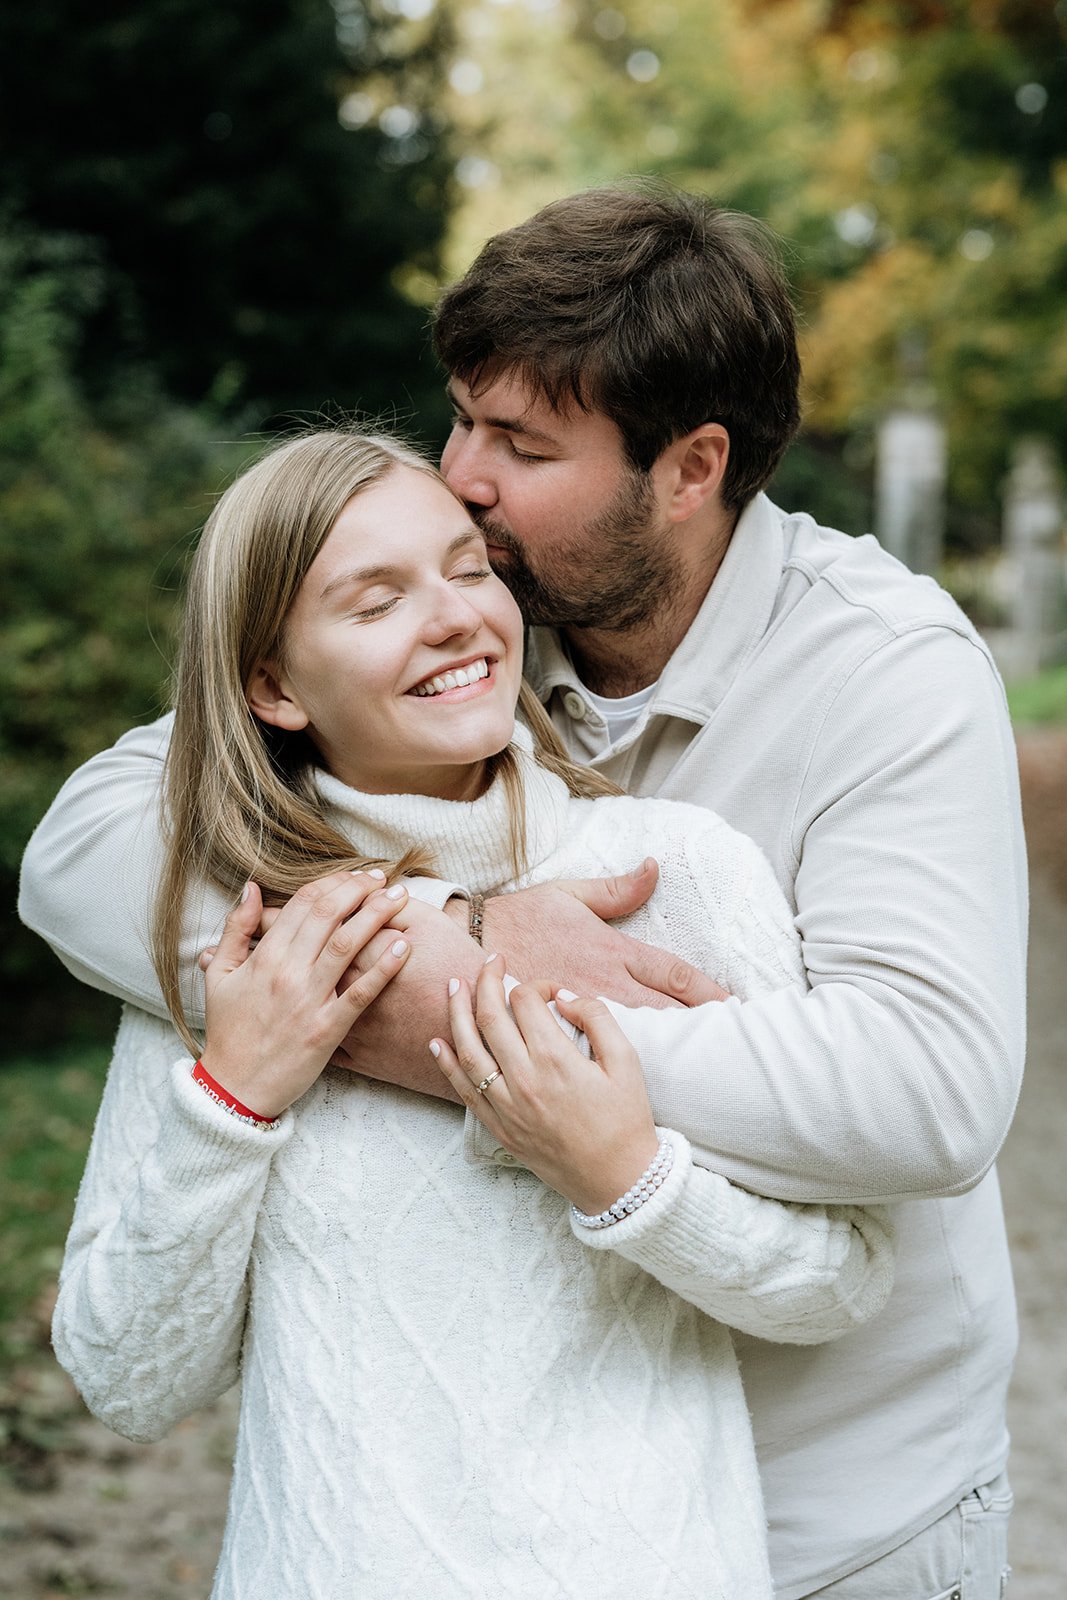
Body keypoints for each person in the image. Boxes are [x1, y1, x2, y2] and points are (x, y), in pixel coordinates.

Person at [20, 187, 1026, 1599]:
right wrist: (452, 947)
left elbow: (926, 1093)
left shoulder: (884, 674)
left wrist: (520, 1053)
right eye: (463, 420)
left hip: (835, 1512)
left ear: (690, 469)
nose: (465, 480)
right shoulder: (480, 619)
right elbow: (88, 842)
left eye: (524, 446)